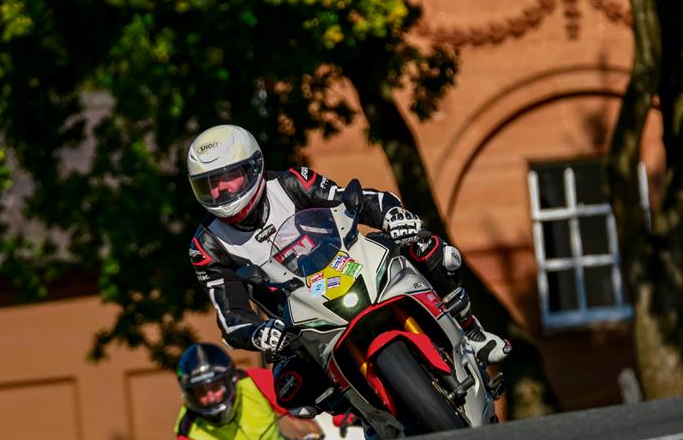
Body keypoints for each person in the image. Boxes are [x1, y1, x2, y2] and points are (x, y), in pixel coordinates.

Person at [186, 124, 510, 404]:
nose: (220, 190)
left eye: (228, 177)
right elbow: (230, 316)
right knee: (290, 386)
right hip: (298, 317)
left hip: (348, 265)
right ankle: (363, 416)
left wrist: (391, 216)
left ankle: (471, 331)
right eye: (208, 184)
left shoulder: (292, 181)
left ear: (253, 168)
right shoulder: (206, 246)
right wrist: (259, 333)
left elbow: (353, 199)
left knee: (427, 247)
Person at [175, 343, 323, 440]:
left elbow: (303, 395)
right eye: (201, 392)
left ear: (231, 380)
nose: (211, 397)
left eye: (215, 387)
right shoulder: (189, 432)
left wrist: (339, 415)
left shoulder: (253, 382)